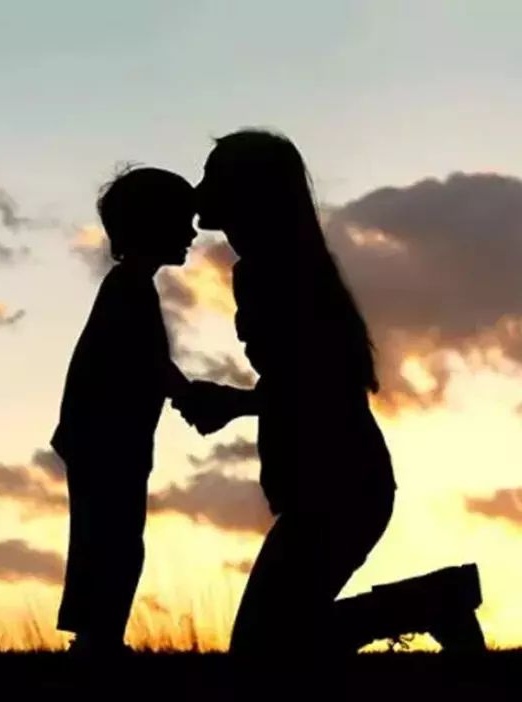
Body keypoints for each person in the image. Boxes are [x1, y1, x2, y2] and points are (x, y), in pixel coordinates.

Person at [176, 129, 484, 659]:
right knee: (275, 641)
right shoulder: (279, 266)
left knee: (263, 649)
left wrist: (235, 402)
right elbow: (304, 379)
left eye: (212, 177)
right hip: (334, 483)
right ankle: (433, 601)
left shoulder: (274, 272)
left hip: (337, 485)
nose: (200, 188)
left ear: (247, 191)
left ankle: (434, 601)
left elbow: (313, 384)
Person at [51, 167, 196, 656]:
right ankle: (98, 637)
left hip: (109, 434)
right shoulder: (129, 286)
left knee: (109, 533)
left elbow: (148, 363)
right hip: (107, 437)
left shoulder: (130, 284)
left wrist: (184, 390)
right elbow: (147, 361)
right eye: (183, 220)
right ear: (153, 224)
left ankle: (97, 634)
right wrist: (191, 394)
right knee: (112, 536)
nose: (193, 232)